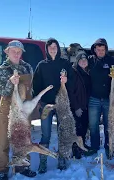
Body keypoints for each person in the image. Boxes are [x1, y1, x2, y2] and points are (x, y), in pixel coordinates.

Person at [0, 40, 37, 180]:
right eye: (14, 51)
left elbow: (32, 87)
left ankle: (22, 166)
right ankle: (1, 170)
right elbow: (3, 92)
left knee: (23, 138)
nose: (17, 54)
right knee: (3, 139)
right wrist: (11, 83)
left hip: (23, 107)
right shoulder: (3, 69)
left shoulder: (27, 67)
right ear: (7, 52)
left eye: (19, 52)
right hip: (7, 107)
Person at [32, 38, 73, 173]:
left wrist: (67, 80)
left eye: (55, 47)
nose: (53, 49)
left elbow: (73, 80)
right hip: (46, 105)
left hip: (62, 104)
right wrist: (38, 101)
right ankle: (43, 161)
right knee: (46, 134)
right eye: (50, 47)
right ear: (47, 49)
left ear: (58, 49)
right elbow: (36, 85)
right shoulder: (41, 65)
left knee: (63, 132)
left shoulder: (65, 64)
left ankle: (62, 158)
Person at [86, 38, 114, 158]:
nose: (100, 52)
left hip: (109, 99)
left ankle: (109, 146)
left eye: (103, 49)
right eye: (98, 49)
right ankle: (94, 146)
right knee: (93, 125)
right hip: (93, 98)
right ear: (94, 49)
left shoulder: (112, 61)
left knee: (109, 124)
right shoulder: (90, 60)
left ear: (106, 49)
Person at [68, 50, 92, 159]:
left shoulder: (87, 72)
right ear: (77, 61)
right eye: (80, 60)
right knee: (77, 129)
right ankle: (76, 149)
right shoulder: (74, 72)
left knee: (83, 127)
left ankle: (82, 145)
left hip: (86, 105)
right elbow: (71, 91)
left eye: (85, 59)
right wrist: (76, 107)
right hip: (77, 106)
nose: (83, 61)